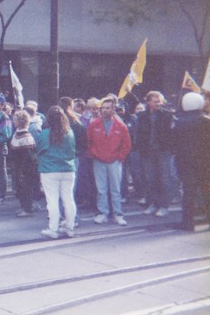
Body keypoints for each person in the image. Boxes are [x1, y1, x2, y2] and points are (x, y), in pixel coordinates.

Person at [87, 97, 131, 226]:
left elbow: (126, 144)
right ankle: (102, 213)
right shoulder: (93, 124)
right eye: (103, 108)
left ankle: (117, 214)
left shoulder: (120, 125)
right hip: (98, 161)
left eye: (108, 108)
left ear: (113, 109)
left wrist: (120, 157)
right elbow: (88, 142)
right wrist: (94, 154)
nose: (105, 110)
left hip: (114, 161)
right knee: (101, 189)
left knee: (115, 189)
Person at [35, 106, 77, 239]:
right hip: (67, 169)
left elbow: (39, 150)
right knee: (68, 199)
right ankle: (69, 227)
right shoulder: (69, 133)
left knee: (52, 200)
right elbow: (72, 151)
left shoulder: (44, 133)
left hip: (49, 170)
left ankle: (53, 229)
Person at [173, 92, 210, 231]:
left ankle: (187, 223)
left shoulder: (178, 122)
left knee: (188, 192)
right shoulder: (206, 121)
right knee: (206, 190)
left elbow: (172, 143)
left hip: (184, 162)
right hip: (205, 162)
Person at [136, 91, 174, 218]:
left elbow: (171, 134)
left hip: (163, 152)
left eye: (159, 101)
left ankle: (164, 206)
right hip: (147, 152)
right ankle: (152, 204)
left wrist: (169, 148)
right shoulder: (141, 116)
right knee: (149, 179)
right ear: (148, 102)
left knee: (164, 179)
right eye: (155, 101)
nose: (158, 103)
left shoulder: (168, 115)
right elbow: (138, 134)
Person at [9, 110, 38, 217]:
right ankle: (23, 207)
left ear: (21, 121)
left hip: (25, 168)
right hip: (18, 167)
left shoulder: (26, 137)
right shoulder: (17, 133)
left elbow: (29, 157)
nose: (13, 121)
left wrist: (23, 170)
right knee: (20, 188)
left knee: (26, 188)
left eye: (15, 120)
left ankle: (27, 209)